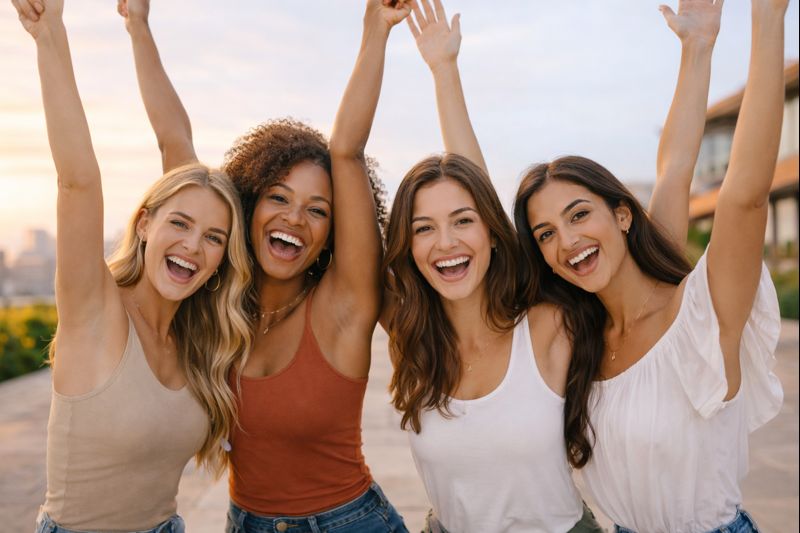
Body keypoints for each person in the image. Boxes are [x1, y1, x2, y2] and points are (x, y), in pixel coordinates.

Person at [385, 0, 723, 531]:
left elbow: (675, 174)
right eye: (424, 227)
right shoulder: (413, 330)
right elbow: (459, 202)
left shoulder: (554, 322)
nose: (446, 241)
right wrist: (442, 69)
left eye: (462, 222)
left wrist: (698, 49)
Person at [118, 0, 411, 531]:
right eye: (279, 197)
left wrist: (375, 32)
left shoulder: (344, 305)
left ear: (333, 233)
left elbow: (347, 151)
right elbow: (174, 144)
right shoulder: (218, 298)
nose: (295, 218)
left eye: (318, 210)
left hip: (348, 523)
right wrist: (138, 25)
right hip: (244, 522)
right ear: (249, 205)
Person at [513, 0, 787, 531]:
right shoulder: (580, 339)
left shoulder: (702, 316)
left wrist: (768, 17)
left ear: (622, 215)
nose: (567, 241)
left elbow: (743, 194)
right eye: (546, 234)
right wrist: (697, 47)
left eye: (578, 215)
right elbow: (674, 166)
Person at [11, 0, 252, 531]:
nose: (193, 246)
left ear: (221, 261)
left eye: (214, 238)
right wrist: (50, 33)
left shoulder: (195, 334)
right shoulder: (95, 309)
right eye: (179, 224)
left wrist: (138, 26)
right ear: (144, 224)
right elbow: (78, 181)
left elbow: (176, 142)